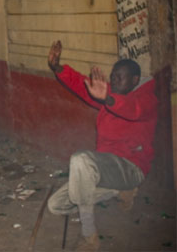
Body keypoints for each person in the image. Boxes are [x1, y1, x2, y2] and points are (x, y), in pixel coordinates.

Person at [46, 41, 158, 251]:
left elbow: (132, 110)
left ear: (134, 80)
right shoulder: (111, 96)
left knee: (81, 160)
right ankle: (121, 192)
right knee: (56, 205)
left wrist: (107, 97)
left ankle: (89, 237)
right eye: (113, 75)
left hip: (131, 168)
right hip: (106, 171)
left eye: (119, 77)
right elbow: (81, 84)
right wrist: (57, 68)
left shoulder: (145, 99)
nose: (114, 80)